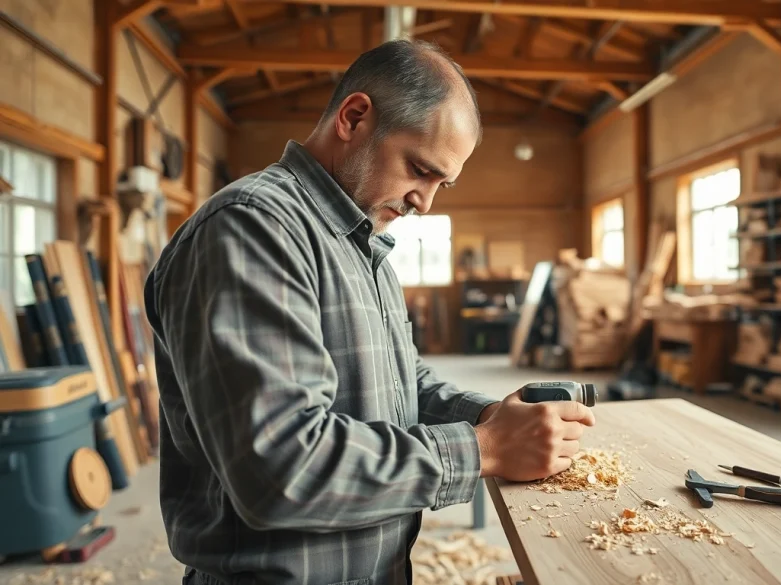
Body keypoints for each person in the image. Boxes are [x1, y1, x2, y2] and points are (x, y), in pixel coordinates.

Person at [143, 39, 596, 585]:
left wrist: (494, 416)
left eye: (442, 184)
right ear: (354, 118)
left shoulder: (364, 242)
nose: (425, 202)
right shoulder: (252, 229)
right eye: (420, 170)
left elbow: (403, 384)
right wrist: (486, 448)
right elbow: (281, 469)